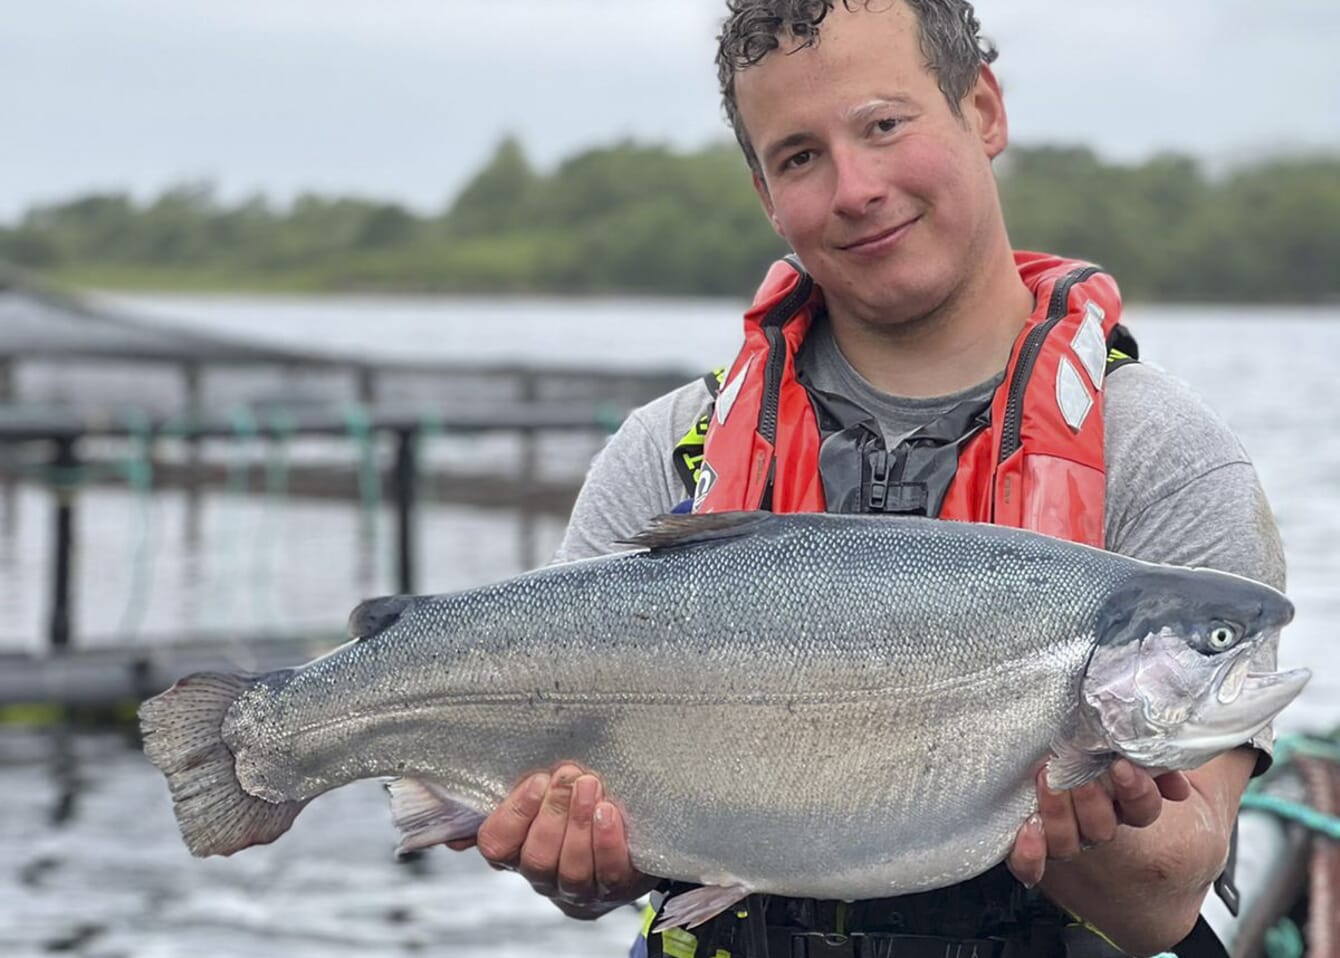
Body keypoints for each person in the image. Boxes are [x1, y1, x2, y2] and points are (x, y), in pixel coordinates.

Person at [447, 1, 1286, 955]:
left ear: (983, 110)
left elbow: (1166, 900)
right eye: (799, 157)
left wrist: (1071, 792)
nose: (855, 188)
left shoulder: (1167, 457)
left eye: (884, 125)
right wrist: (580, 864)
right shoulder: (666, 450)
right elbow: (587, 864)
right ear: (766, 194)